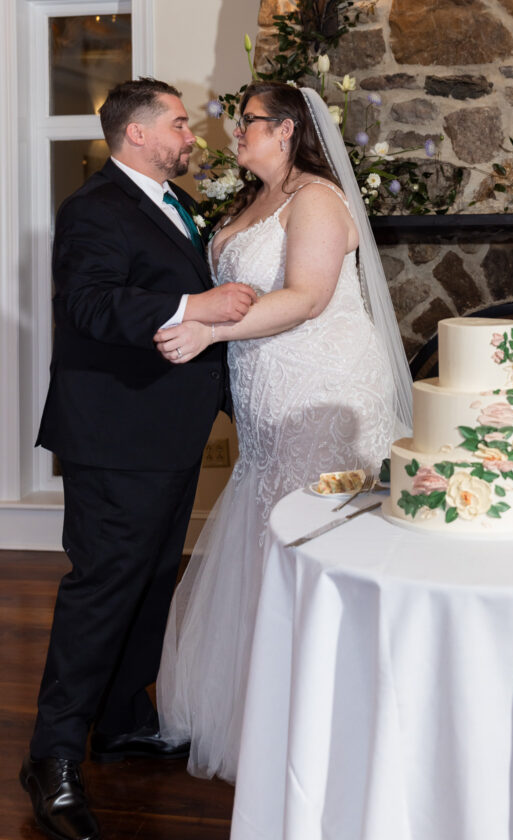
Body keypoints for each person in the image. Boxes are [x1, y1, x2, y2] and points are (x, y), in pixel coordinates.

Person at [154, 82, 413, 782]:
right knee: (266, 523)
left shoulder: (318, 200)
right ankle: (264, 707)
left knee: (310, 532)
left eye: (249, 124)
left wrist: (207, 330)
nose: (235, 134)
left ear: (288, 129)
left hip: (321, 385)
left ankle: (330, 709)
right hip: (265, 390)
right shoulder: (248, 204)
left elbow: (306, 297)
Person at [20, 78, 258, 840]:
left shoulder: (172, 201)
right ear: (138, 135)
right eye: (179, 124)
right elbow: (89, 305)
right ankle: (51, 760)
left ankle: (120, 721)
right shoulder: (94, 208)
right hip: (116, 436)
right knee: (103, 592)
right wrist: (197, 307)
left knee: (152, 581)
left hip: (166, 431)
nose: (192, 137)